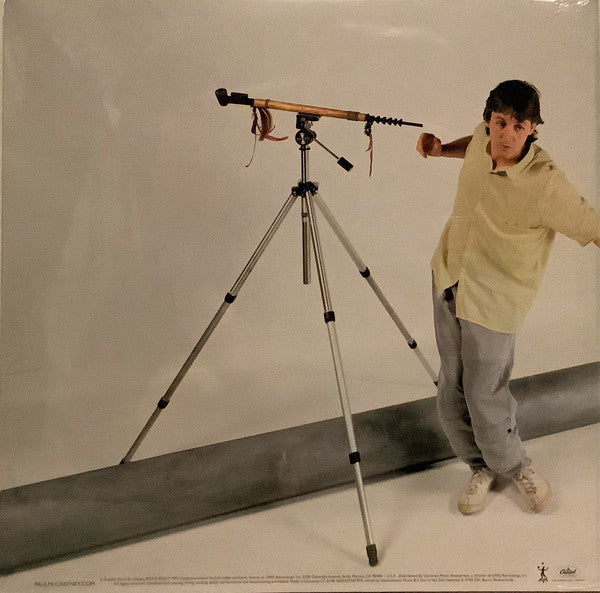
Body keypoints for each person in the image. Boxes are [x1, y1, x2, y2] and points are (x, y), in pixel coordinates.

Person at [416, 80, 600, 515]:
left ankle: (517, 467)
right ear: (488, 121)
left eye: (519, 126)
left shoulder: (546, 183)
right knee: (450, 391)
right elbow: (473, 145)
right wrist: (441, 150)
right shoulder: (482, 138)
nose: (506, 135)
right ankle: (479, 466)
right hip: (450, 276)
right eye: (500, 123)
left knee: (484, 395)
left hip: (495, 299)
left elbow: (592, 226)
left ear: (533, 128)